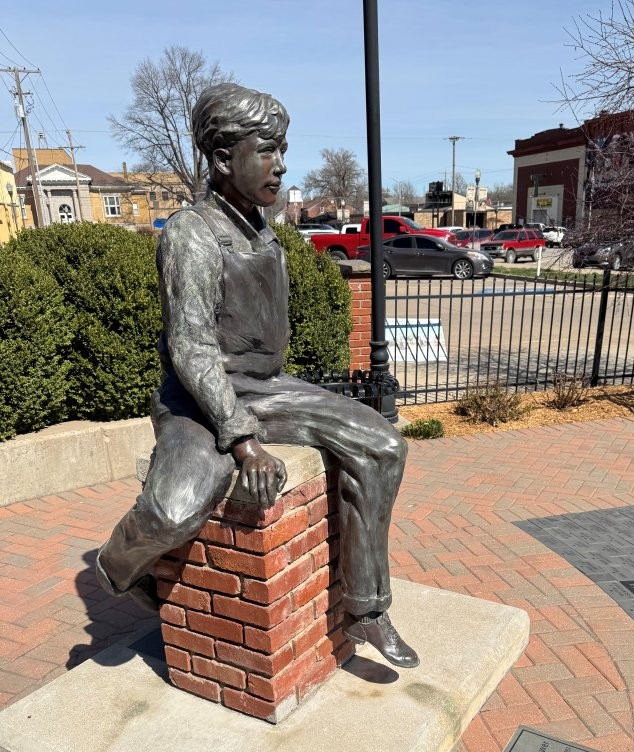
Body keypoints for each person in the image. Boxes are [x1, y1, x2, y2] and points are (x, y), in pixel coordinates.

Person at [96, 82, 418, 669]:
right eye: (267, 150)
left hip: (269, 389)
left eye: (282, 148)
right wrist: (243, 442)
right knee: (173, 511)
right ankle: (117, 564)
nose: (281, 163)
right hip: (199, 400)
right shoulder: (192, 234)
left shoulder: (264, 233)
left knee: (382, 445)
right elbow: (191, 348)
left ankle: (367, 610)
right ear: (223, 160)